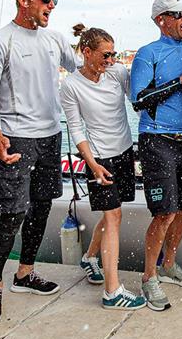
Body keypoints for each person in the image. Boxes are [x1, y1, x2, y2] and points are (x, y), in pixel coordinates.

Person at [0, 0, 77, 325]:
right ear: (23, 0)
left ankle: (25, 273)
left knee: (42, 207)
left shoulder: (55, 39)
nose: (51, 6)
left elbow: (83, 69)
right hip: (16, 137)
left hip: (51, 137)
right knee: (12, 214)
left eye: (54, 1)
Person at [60, 25, 146, 310]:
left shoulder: (118, 73)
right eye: (105, 55)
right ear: (86, 52)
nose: (110, 61)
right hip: (98, 159)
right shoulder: (71, 85)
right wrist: (91, 163)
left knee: (113, 215)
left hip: (123, 152)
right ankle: (112, 291)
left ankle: (90, 257)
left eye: (114, 54)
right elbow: (76, 128)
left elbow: (139, 99)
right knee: (114, 217)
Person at [130, 0, 182, 311]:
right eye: (177, 14)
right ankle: (149, 278)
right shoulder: (148, 53)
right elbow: (139, 99)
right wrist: (179, 82)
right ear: (161, 19)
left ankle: (169, 265)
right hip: (155, 140)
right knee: (165, 212)